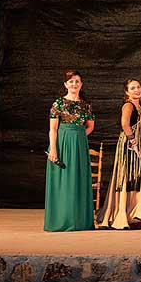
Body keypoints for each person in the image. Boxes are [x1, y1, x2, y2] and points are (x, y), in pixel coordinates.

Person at [97, 79, 141, 230]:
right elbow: (125, 123)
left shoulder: (139, 106)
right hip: (130, 147)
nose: (137, 90)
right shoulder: (128, 105)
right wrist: (133, 142)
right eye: (133, 88)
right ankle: (123, 215)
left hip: (138, 147)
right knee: (128, 179)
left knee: (136, 181)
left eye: (138, 87)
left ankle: (134, 215)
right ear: (127, 92)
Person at [44, 69, 95, 232]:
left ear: (81, 84)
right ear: (66, 84)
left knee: (78, 181)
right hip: (61, 143)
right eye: (71, 81)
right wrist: (53, 150)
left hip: (79, 144)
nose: (74, 84)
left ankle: (80, 221)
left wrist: (78, 136)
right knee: (63, 182)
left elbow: (90, 127)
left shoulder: (86, 105)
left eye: (77, 81)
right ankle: (61, 220)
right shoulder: (58, 103)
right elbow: (52, 129)